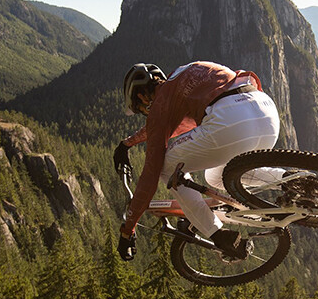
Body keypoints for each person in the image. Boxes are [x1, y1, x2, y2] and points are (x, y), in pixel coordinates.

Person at [114, 61, 281, 261]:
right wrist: (127, 144)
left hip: (230, 121)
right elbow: (179, 125)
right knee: (218, 177)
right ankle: (293, 180)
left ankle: (218, 234)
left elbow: (150, 173)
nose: (145, 112)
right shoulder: (185, 74)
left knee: (167, 167)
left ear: (141, 96)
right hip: (265, 113)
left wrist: (128, 229)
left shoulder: (160, 102)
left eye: (141, 108)